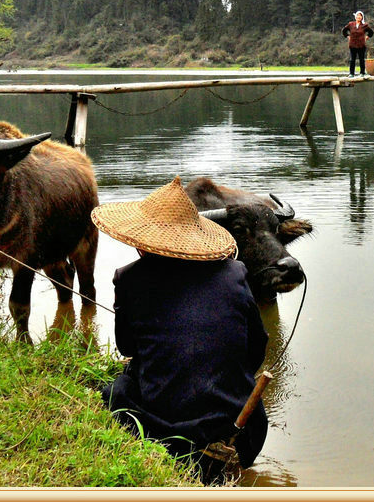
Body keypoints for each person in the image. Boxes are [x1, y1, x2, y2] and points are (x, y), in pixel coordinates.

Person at [93, 177, 269, 484]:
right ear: (196, 236)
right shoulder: (235, 273)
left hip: (166, 432)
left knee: (117, 390)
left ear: (140, 240)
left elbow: (128, 348)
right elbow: (257, 348)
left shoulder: (129, 278)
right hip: (241, 430)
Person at [341, 10, 374, 77]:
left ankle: (362, 73)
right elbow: (344, 30)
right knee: (352, 59)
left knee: (361, 59)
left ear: (362, 17)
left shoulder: (365, 25)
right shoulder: (351, 24)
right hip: (352, 44)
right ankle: (351, 73)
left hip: (361, 45)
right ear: (355, 17)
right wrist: (347, 36)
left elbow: (371, 32)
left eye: (360, 16)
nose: (359, 17)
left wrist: (367, 37)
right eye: (357, 16)